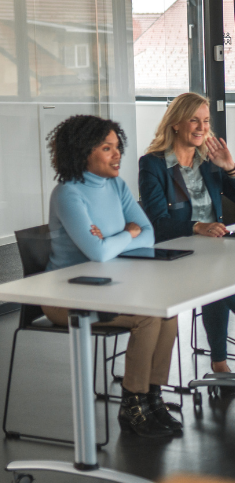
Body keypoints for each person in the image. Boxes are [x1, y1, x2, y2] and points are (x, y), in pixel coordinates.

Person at [44, 115, 181, 439]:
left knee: (168, 313)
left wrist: (117, 236)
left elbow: (148, 234)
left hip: (111, 287)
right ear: (82, 152)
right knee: (148, 318)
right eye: (107, 148)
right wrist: (125, 233)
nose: (117, 154)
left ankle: (152, 397)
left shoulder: (117, 186)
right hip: (63, 297)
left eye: (117, 147)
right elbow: (99, 253)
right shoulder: (67, 194)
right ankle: (132, 406)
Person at [138, 93, 235, 382]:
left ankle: (220, 363)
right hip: (174, 254)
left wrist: (230, 167)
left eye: (205, 121)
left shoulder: (208, 161)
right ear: (175, 124)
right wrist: (197, 227)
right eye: (194, 120)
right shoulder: (153, 165)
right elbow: (157, 224)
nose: (201, 127)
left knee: (220, 280)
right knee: (220, 281)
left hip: (214, 251)